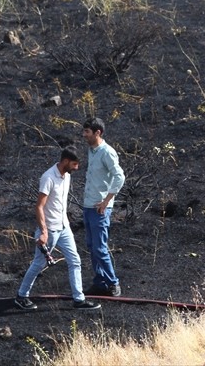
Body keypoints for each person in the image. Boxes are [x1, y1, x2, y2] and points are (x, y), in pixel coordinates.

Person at [15, 148, 101, 311]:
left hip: (64, 228)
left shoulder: (66, 176)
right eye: (74, 164)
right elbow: (39, 206)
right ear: (66, 161)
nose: (76, 168)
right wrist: (44, 232)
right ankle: (21, 296)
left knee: (75, 260)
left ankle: (79, 299)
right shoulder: (48, 178)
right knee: (39, 264)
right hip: (50, 230)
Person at [81, 117, 125, 297]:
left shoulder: (107, 152)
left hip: (100, 208)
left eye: (87, 132)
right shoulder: (92, 150)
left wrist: (107, 201)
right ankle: (100, 281)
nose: (84, 135)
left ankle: (113, 282)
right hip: (88, 205)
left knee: (100, 247)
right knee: (92, 245)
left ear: (97, 132)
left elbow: (119, 176)